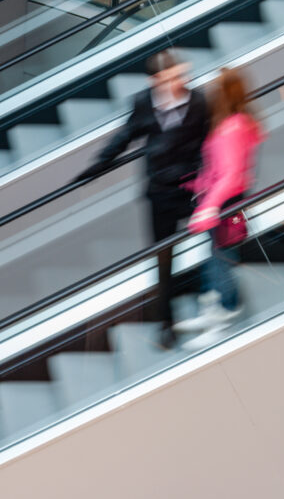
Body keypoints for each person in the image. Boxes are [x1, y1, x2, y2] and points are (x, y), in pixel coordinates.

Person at [77, 50, 209, 348]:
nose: (179, 82)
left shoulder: (199, 100)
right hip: (160, 192)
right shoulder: (143, 103)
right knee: (164, 259)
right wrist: (99, 165)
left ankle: (218, 301)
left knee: (220, 235)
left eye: (181, 75)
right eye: (171, 78)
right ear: (155, 81)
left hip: (193, 187)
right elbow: (125, 136)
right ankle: (165, 323)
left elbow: (210, 139)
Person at [176, 67, 263, 343]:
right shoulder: (238, 122)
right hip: (227, 202)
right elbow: (223, 170)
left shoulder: (230, 128)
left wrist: (208, 207)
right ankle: (216, 310)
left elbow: (230, 174)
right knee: (217, 257)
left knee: (220, 260)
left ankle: (223, 315)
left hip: (225, 205)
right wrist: (197, 185)